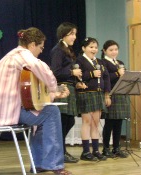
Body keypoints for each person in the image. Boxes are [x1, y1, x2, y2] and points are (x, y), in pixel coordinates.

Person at [0, 27, 72, 175]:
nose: (41, 51)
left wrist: (53, 95)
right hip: (11, 112)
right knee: (52, 112)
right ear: (32, 45)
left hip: (3, 110)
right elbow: (42, 69)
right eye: (41, 47)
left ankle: (39, 164)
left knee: (44, 115)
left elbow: (29, 96)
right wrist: (54, 89)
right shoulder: (23, 55)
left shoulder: (9, 56)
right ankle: (55, 165)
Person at [50, 22, 85, 163]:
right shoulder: (58, 50)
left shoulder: (68, 50)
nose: (74, 37)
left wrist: (77, 82)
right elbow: (55, 72)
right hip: (62, 88)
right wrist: (72, 72)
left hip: (70, 87)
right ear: (63, 34)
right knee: (64, 121)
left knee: (69, 120)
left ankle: (61, 150)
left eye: (75, 34)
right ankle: (60, 152)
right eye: (71, 34)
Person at [76, 37, 111, 161]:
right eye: (91, 47)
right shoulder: (79, 60)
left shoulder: (100, 62)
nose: (94, 49)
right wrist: (91, 74)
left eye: (95, 47)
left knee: (96, 123)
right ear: (83, 48)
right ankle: (86, 151)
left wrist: (107, 94)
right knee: (87, 122)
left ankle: (96, 150)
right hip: (86, 93)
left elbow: (106, 78)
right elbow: (78, 76)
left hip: (98, 94)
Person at [101, 40, 129, 158]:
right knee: (109, 122)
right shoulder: (103, 63)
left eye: (116, 49)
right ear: (105, 51)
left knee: (119, 122)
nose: (114, 52)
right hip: (111, 94)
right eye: (111, 50)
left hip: (120, 94)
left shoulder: (120, 62)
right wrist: (117, 73)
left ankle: (116, 147)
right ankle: (106, 148)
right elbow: (105, 78)